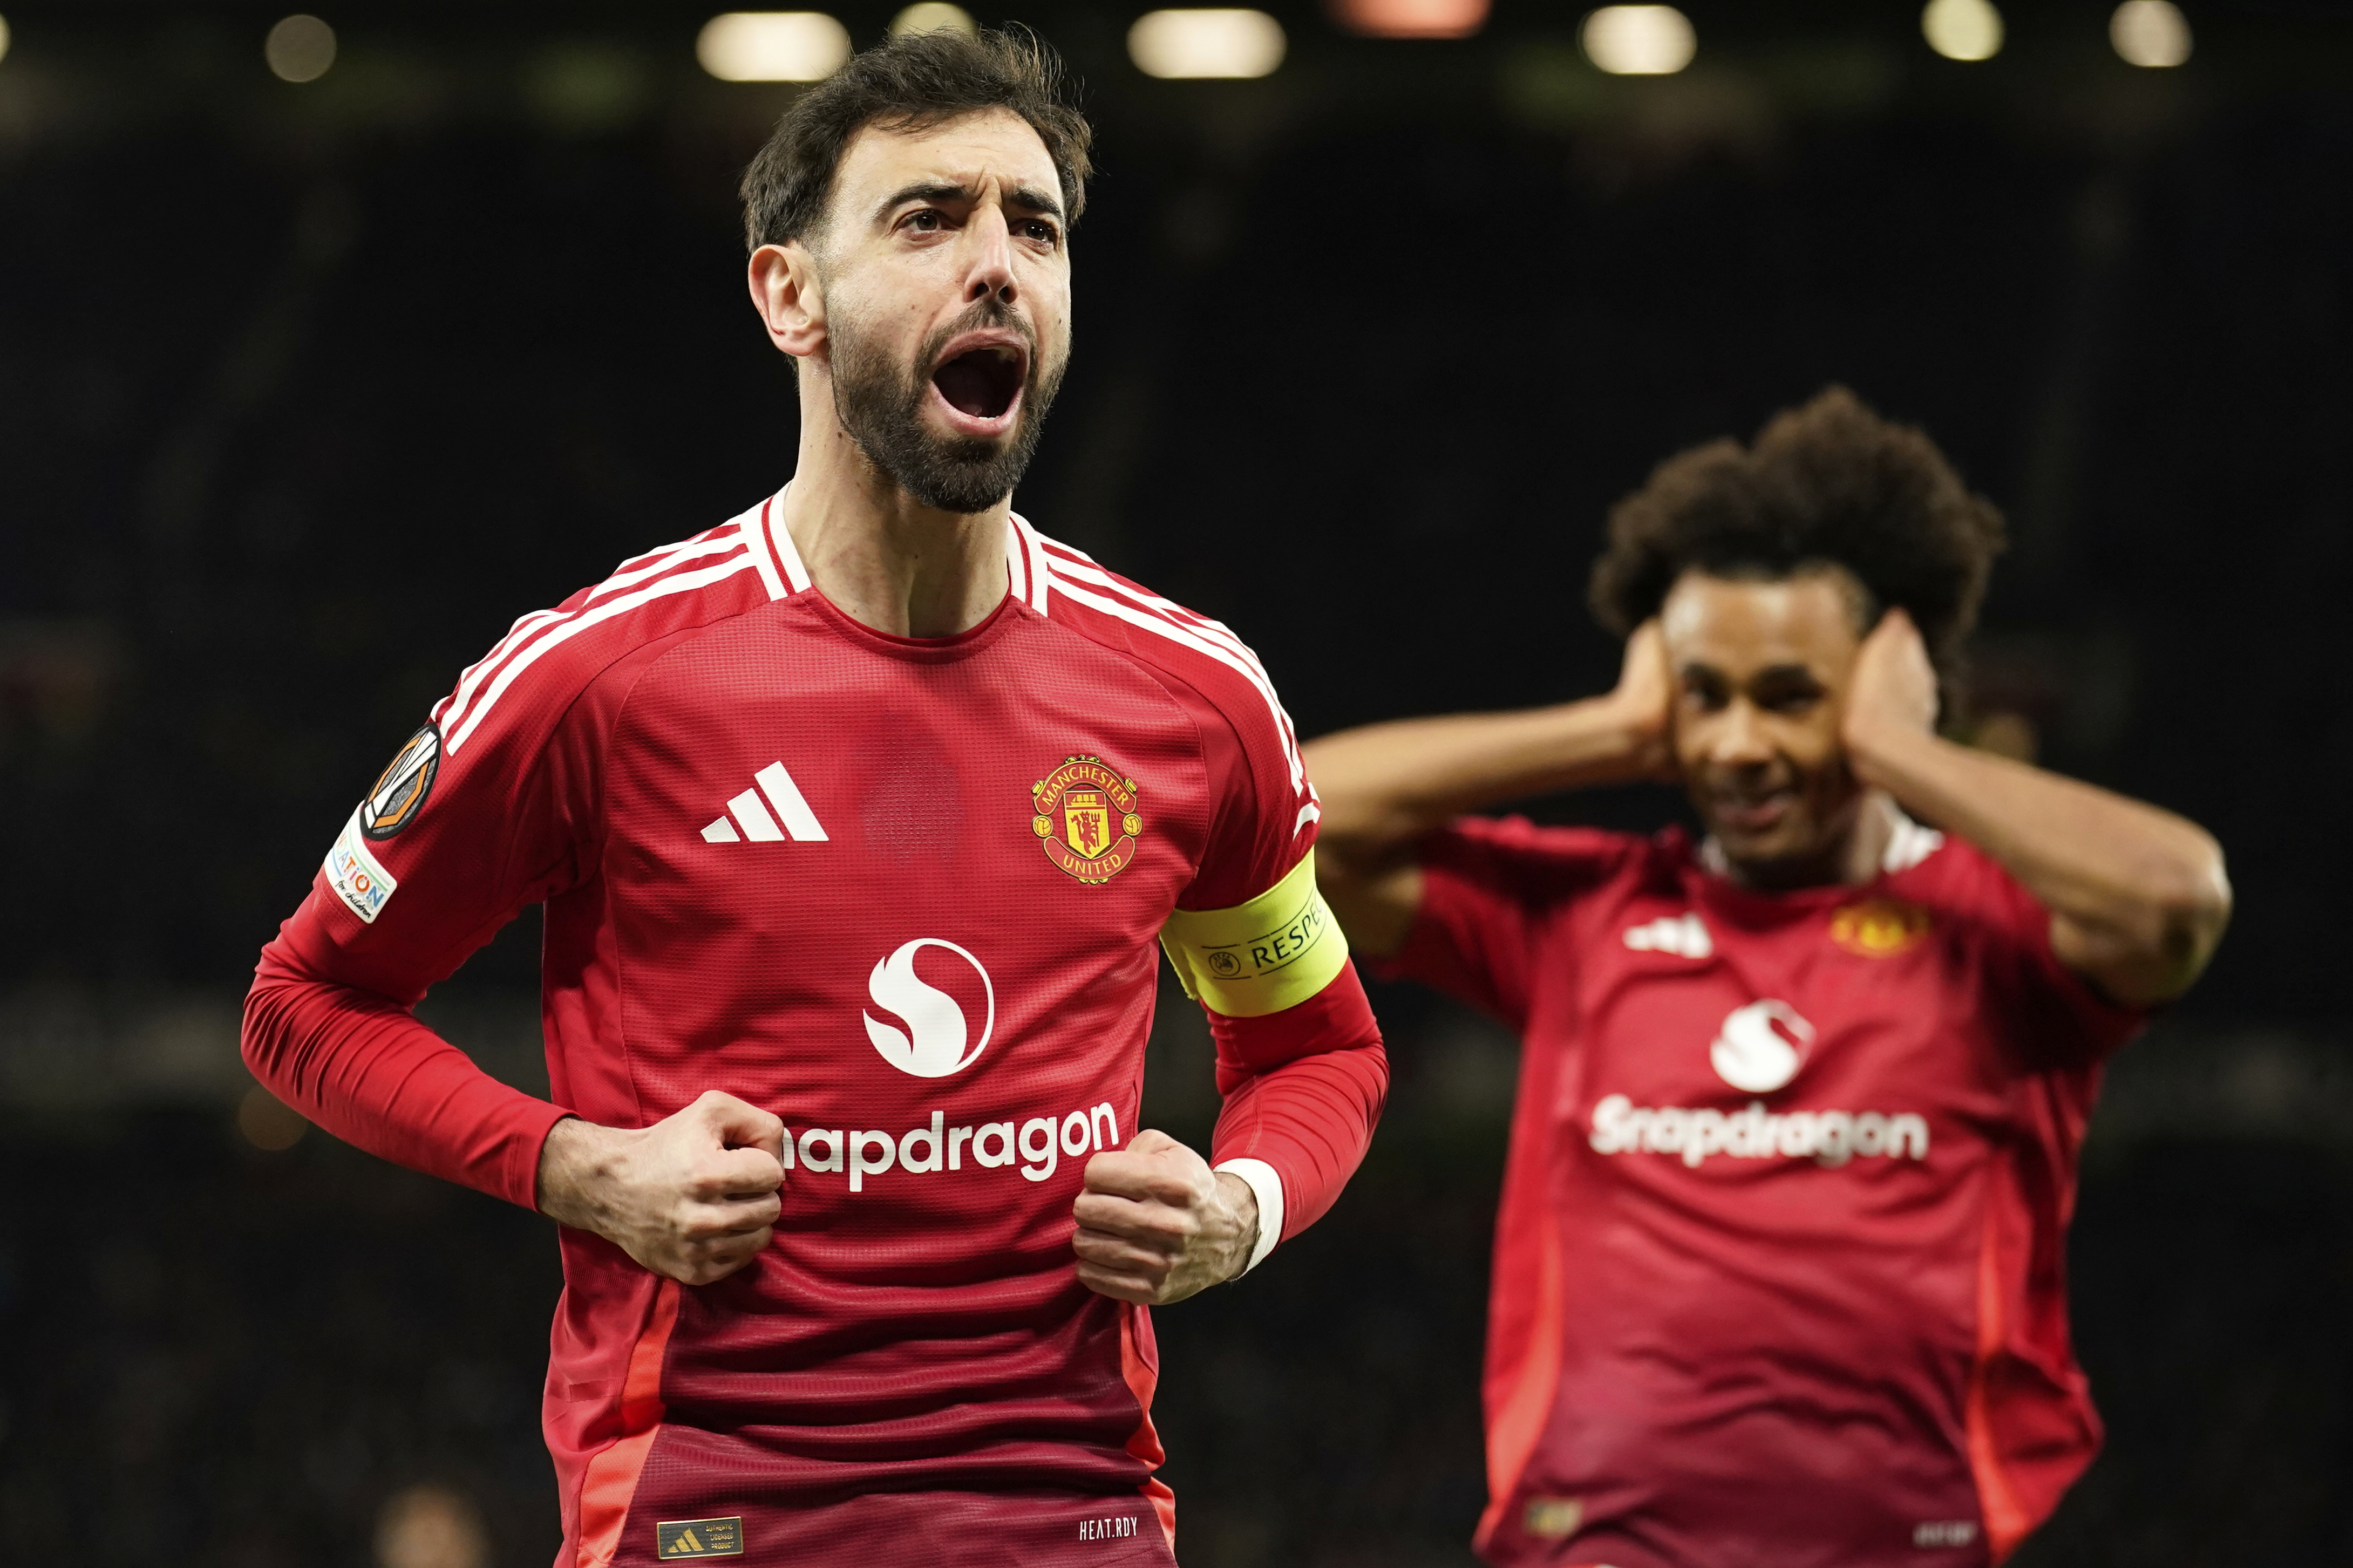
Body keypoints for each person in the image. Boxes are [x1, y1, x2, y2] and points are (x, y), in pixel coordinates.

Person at [241, 31, 1387, 1568]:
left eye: (1033, 227)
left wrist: (1237, 1207)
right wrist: (584, 1168)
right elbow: (304, 1002)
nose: (997, 265)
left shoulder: (1195, 700)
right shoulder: (600, 679)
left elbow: (1318, 1046)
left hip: (1073, 1516)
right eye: (928, 219)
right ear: (790, 294)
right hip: (708, 1517)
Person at [1304, 388, 2229, 1568]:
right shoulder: (1584, 913)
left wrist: (1901, 746)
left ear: (1877, 688)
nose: (1738, 744)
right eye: (1708, 697)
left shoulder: (1997, 929)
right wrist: (1610, 729)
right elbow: (1295, 825)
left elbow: (2175, 901)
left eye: (1791, 695)